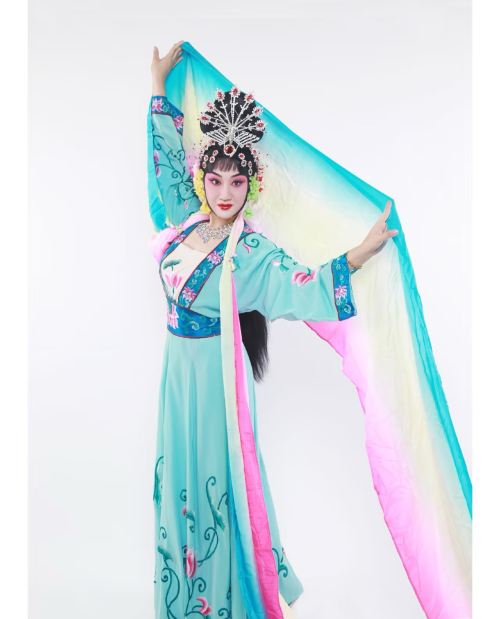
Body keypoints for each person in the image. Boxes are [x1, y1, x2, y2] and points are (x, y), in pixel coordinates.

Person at [148, 42, 397, 619]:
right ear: (203, 180)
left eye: (237, 182)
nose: (224, 193)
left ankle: (224, 604)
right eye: (216, 179)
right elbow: (165, 166)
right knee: (176, 488)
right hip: (176, 382)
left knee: (218, 488)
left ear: (251, 187)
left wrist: (357, 255)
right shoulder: (186, 222)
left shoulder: (251, 255)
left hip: (215, 388)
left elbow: (305, 285)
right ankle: (181, 603)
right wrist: (158, 86)